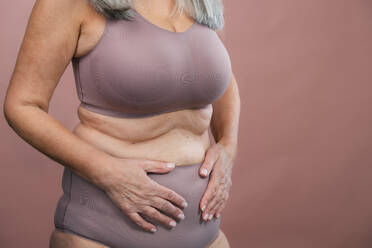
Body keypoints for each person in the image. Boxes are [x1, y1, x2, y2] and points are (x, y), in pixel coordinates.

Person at [3, 0, 240, 247]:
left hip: (206, 236)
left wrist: (228, 147)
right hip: (99, 234)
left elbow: (219, 77)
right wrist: (107, 173)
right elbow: (23, 105)